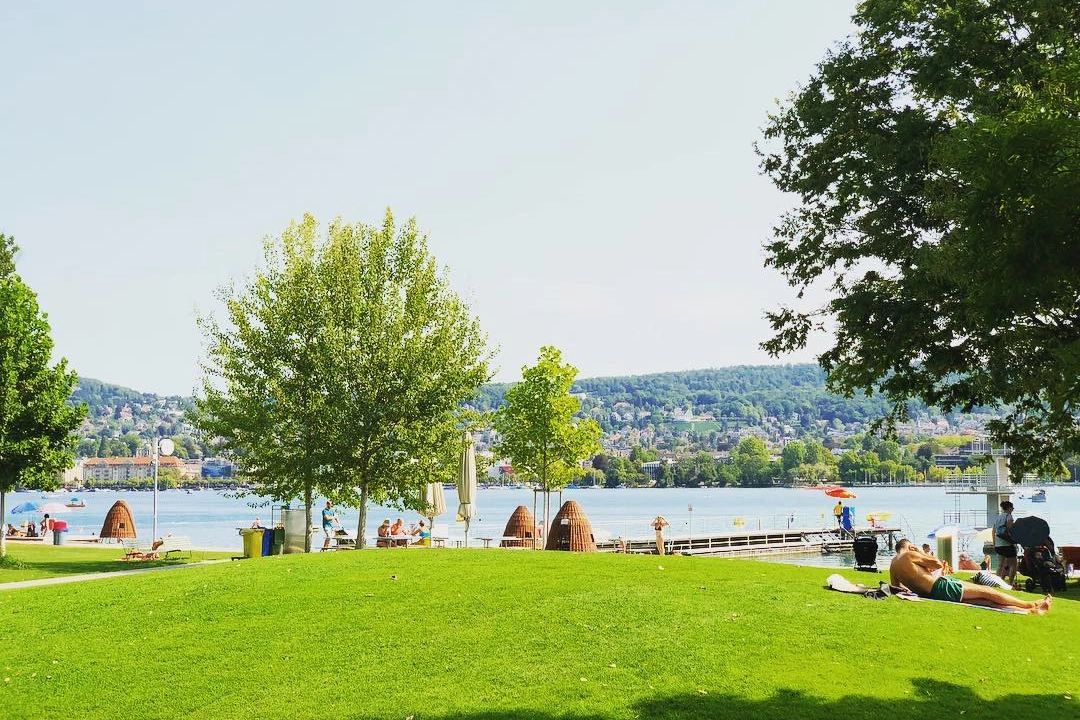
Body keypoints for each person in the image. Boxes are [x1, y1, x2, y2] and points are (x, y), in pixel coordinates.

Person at [889, 538, 1051, 614]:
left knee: (984, 601)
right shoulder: (909, 556)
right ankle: (1030, 605)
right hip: (941, 586)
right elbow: (937, 563)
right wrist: (921, 552)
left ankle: (1031, 611)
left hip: (930, 593)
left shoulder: (892, 566)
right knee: (988, 592)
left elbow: (897, 588)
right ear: (909, 546)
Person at [992, 500, 1018, 587]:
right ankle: (1010, 583)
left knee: (1000, 564)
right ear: (1009, 508)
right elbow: (1011, 530)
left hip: (999, 544)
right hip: (1007, 544)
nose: (1013, 509)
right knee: (1013, 564)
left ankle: (996, 582)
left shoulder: (998, 517)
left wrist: (994, 543)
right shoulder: (1009, 516)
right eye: (1012, 508)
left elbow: (994, 531)